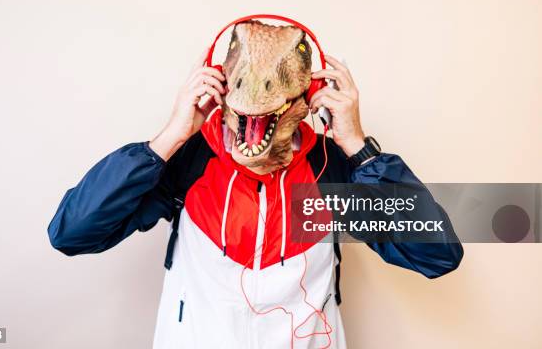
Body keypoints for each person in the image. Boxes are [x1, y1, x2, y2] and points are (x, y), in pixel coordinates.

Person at [48, 20, 463, 349]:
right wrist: (169, 138)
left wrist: (358, 146)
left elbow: (437, 256)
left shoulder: (330, 168)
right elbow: (71, 232)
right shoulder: (189, 160)